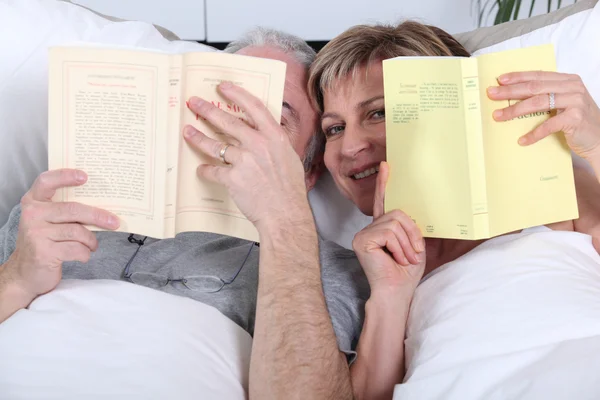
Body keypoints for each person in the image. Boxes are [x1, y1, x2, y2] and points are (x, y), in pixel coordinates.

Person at [0, 28, 367, 399]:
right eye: (221, 107)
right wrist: (15, 278)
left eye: (272, 120)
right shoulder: (49, 216)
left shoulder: (327, 270)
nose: (234, 129)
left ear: (307, 172)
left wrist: (284, 220)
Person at [307, 21, 600, 399]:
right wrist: (391, 292)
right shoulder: (355, 274)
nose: (349, 147)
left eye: (378, 113)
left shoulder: (557, 197)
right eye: (334, 129)